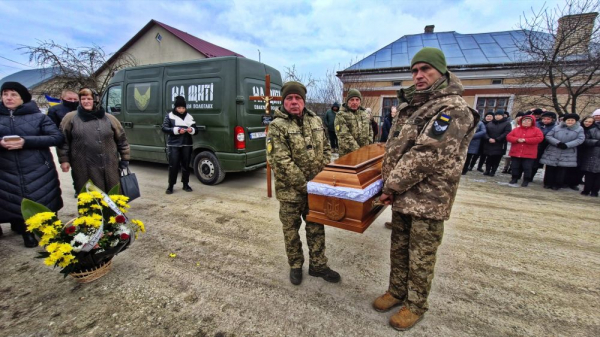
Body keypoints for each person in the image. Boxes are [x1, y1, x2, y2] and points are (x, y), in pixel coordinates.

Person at [374, 47, 479, 331]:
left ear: (441, 71)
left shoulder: (452, 108)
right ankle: (397, 291)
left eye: (425, 69)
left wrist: (391, 186)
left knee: (420, 256)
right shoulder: (418, 103)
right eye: (415, 70)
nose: (418, 75)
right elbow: (398, 146)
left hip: (429, 197)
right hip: (405, 194)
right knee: (399, 248)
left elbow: (427, 154)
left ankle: (416, 305)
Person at [266, 81, 340, 286]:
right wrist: (306, 184)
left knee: (316, 227)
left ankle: (318, 265)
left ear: (303, 101)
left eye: (297, 98)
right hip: (291, 193)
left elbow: (327, 149)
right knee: (291, 231)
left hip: (315, 190)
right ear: (283, 101)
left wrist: (321, 176)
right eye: (289, 98)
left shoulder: (315, 120)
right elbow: (280, 161)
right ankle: (296, 265)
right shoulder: (276, 126)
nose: (294, 102)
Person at [0, 81, 64, 247]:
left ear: (23, 98)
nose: (8, 98)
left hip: (38, 168)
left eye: (13, 94)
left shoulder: (39, 117)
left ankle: (49, 230)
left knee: (44, 198)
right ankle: (26, 233)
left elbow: (56, 137)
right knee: (15, 202)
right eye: (5, 94)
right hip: (7, 170)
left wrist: (25, 141)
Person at [58, 88, 130, 193]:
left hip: (110, 165)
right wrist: (64, 160)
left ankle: (114, 210)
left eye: (89, 98)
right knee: (89, 198)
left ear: (95, 100)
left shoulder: (110, 119)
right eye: (83, 99)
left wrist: (125, 158)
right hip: (83, 166)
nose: (86, 101)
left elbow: (122, 140)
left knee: (113, 194)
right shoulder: (70, 119)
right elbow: (63, 141)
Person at [540, 113, 585, 190]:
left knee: (562, 169)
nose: (570, 122)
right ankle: (547, 183)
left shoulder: (579, 129)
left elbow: (580, 139)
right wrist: (557, 142)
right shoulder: (557, 127)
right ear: (565, 121)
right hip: (554, 149)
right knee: (550, 168)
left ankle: (557, 184)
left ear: (575, 121)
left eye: (572, 120)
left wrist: (567, 145)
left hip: (568, 151)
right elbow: (548, 136)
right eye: (568, 120)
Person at [162, 96, 196, 194]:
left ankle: (185, 184)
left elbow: (196, 129)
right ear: (175, 108)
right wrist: (176, 130)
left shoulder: (189, 116)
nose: (181, 110)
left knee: (186, 166)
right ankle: (170, 185)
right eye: (179, 108)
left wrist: (191, 130)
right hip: (174, 144)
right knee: (173, 166)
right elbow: (164, 128)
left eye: (183, 108)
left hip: (187, 144)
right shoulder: (170, 116)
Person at [506, 115, 544, 187]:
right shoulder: (516, 129)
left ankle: (526, 180)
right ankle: (514, 178)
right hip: (516, 152)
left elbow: (539, 138)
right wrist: (517, 139)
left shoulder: (536, 130)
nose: (526, 122)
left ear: (532, 122)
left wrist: (526, 140)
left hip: (529, 153)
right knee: (515, 166)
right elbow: (509, 137)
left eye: (528, 121)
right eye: (524, 121)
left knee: (527, 167)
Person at [334, 89, 373, 156]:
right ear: (347, 101)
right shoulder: (341, 115)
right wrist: (358, 151)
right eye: (352, 100)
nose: (355, 102)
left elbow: (370, 131)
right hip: (348, 155)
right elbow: (344, 136)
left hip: (364, 153)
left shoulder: (364, 114)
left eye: (357, 100)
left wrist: (368, 145)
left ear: (360, 101)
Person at [483, 110, 511, 176]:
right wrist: (488, 138)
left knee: (496, 159)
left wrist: (497, 139)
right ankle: (487, 170)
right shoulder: (490, 123)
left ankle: (493, 171)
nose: (497, 117)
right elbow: (485, 132)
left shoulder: (507, 123)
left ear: (502, 116)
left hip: (499, 144)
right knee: (489, 158)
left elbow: (506, 133)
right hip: (489, 143)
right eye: (496, 115)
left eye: (499, 115)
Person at [532, 111, 557, 179]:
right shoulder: (537, 124)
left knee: (538, 163)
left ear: (553, 120)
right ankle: (529, 177)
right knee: (532, 162)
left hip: (546, 146)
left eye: (548, 119)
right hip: (535, 145)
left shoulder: (555, 127)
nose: (545, 121)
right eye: (544, 119)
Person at [580, 110, 600, 196]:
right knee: (589, 173)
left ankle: (595, 191)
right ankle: (586, 190)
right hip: (592, 153)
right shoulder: (592, 128)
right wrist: (596, 142)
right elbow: (585, 140)